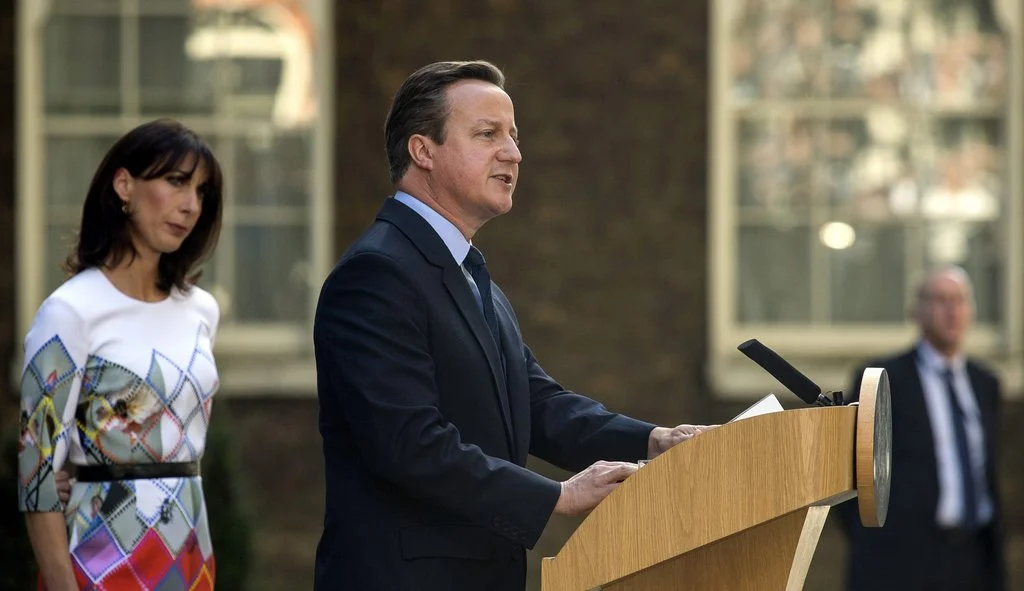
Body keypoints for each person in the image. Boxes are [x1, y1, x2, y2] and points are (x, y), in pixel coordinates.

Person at [312, 60, 710, 591]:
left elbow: (538, 405)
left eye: (514, 137)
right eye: (487, 134)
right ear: (422, 151)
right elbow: (407, 443)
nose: (514, 153)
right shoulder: (377, 274)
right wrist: (557, 496)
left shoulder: (470, 274)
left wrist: (654, 443)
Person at [18, 118, 224, 590]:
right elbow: (37, 481)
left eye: (202, 191)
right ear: (124, 185)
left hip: (191, 555)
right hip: (99, 557)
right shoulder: (69, 312)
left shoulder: (201, 311)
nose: (191, 205)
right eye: (176, 182)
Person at [840, 265, 1005, 590]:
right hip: (901, 563)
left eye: (959, 300)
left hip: (973, 560)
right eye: (940, 300)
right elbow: (849, 476)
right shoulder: (882, 379)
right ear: (917, 311)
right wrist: (873, 542)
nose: (952, 310)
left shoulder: (985, 383)